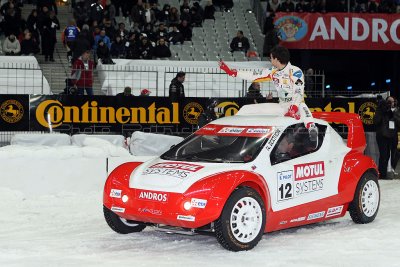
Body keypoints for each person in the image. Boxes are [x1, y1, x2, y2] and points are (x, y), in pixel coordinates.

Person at [219, 45, 318, 141]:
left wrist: (294, 108)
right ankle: (230, 131)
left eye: (271, 58)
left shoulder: (296, 71)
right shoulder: (273, 71)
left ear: (276, 59)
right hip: (282, 106)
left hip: (296, 105)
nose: (270, 60)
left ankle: (312, 128)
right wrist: (232, 72)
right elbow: (254, 76)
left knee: (302, 106)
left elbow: (299, 92)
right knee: (246, 108)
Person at [373, 96, 400, 179]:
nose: (391, 103)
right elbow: (376, 121)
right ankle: (382, 174)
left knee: (396, 154)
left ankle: (393, 169)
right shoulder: (381, 109)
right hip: (383, 136)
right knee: (384, 155)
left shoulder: (397, 111)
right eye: (389, 101)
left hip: (393, 136)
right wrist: (383, 110)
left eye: (392, 102)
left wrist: (393, 115)